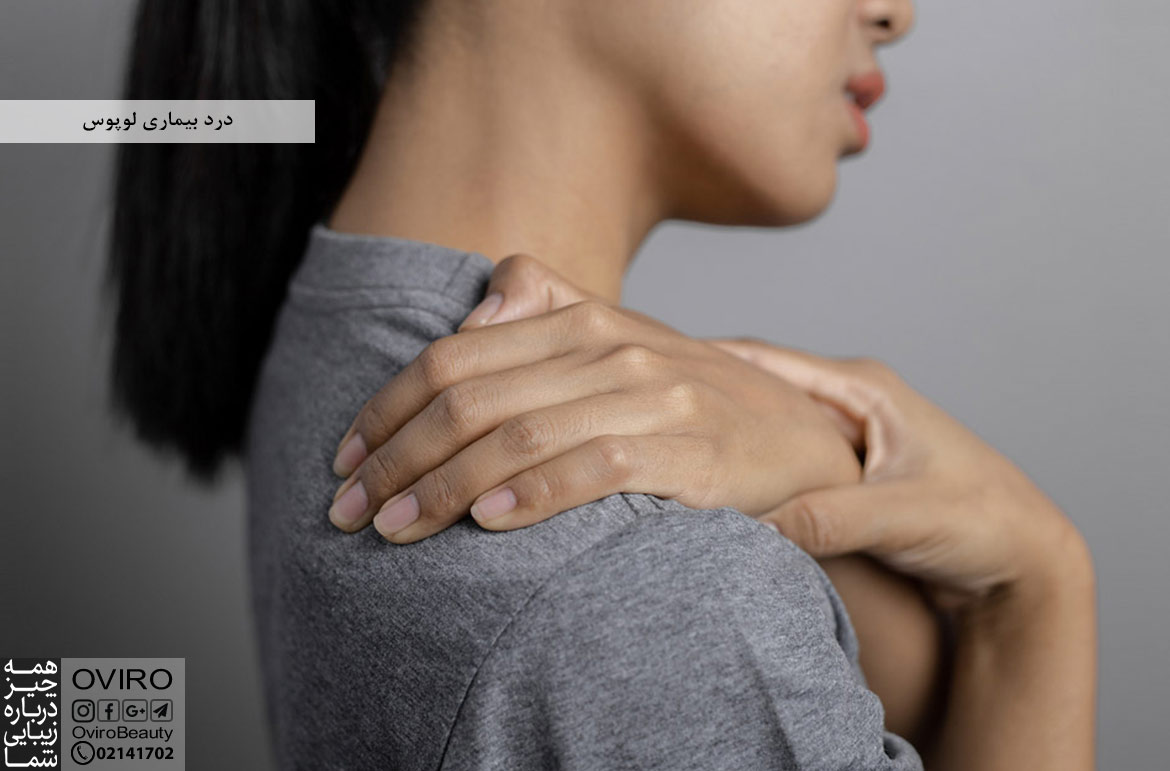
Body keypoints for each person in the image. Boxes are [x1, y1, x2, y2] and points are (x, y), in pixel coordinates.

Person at [107, 1, 1097, 769]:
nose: (895, 12)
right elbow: (630, 616)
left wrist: (846, 463)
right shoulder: (653, 584)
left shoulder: (345, 319)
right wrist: (1040, 591)